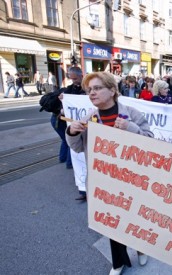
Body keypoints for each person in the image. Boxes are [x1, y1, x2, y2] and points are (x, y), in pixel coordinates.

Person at [66, 71, 153, 275]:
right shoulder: (89, 118)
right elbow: (78, 148)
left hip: (132, 179)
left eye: (97, 88)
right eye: (89, 90)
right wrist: (71, 131)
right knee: (111, 222)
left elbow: (150, 142)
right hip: (103, 180)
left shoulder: (131, 113)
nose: (92, 93)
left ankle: (141, 248)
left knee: (135, 218)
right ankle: (118, 262)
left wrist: (130, 127)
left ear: (112, 90)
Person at [51, 67, 86, 172]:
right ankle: (69, 163)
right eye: (71, 79)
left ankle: (63, 159)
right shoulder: (69, 89)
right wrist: (63, 100)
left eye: (75, 79)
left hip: (65, 120)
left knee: (66, 140)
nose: (74, 81)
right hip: (61, 121)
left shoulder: (86, 87)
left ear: (81, 76)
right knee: (70, 140)